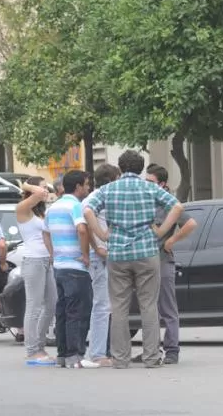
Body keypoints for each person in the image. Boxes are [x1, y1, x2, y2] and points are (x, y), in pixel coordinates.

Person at [83, 150, 183, 370]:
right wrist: (161, 231)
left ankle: (120, 358)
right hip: (147, 252)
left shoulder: (109, 189)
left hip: (117, 253)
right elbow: (177, 207)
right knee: (149, 305)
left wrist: (101, 235)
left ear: (121, 167)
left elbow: (88, 209)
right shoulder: (150, 188)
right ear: (140, 168)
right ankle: (151, 357)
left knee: (119, 307)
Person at [141, 163, 198, 365]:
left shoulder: (169, 202)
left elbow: (190, 224)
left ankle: (172, 349)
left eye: (150, 182)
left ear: (163, 184)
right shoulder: (145, 200)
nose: (146, 185)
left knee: (167, 307)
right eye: (145, 181)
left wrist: (171, 241)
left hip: (163, 259)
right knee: (149, 307)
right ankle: (151, 348)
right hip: (145, 258)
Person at [45, 170, 94, 369]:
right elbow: (82, 229)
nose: (88, 188)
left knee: (63, 311)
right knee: (79, 311)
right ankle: (76, 354)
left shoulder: (53, 207)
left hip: (59, 267)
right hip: (75, 267)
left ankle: (62, 354)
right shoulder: (76, 206)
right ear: (78, 186)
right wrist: (85, 254)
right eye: (87, 184)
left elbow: (45, 233)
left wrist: (53, 254)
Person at [82, 163, 121, 367]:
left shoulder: (99, 198)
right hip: (100, 256)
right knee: (102, 305)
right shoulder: (97, 198)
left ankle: (103, 350)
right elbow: (86, 225)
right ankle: (96, 353)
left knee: (107, 305)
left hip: (103, 254)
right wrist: (97, 246)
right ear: (112, 178)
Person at [17, 177, 57, 366]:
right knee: (34, 306)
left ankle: (40, 346)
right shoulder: (23, 209)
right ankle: (32, 350)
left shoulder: (42, 212)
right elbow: (39, 193)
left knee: (51, 304)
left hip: (47, 260)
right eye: (42, 188)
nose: (45, 191)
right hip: (33, 260)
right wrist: (32, 187)